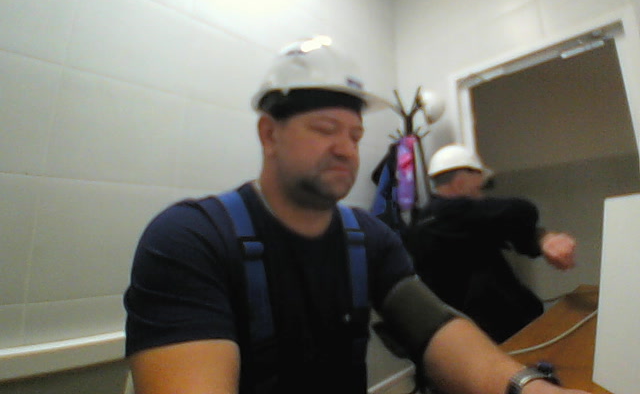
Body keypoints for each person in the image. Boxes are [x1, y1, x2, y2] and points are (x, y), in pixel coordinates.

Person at [123, 36, 591, 394]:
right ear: (269, 134)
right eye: (326, 129)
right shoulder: (192, 238)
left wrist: (527, 388)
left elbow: (437, 329)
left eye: (355, 135)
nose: (346, 149)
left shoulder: (367, 236)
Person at [405, 143, 578, 343]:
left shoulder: (442, 222)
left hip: (481, 336)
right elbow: (522, 210)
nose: (482, 196)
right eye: (479, 188)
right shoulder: (447, 215)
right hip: (493, 337)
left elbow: (510, 233)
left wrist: (543, 239)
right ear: (460, 183)